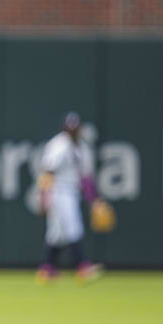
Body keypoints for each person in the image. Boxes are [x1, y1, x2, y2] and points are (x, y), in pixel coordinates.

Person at [35, 112, 103, 285]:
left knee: (56, 233)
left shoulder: (82, 147)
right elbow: (47, 171)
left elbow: (86, 178)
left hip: (72, 191)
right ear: (64, 128)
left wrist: (94, 200)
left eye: (75, 128)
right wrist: (44, 198)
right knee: (73, 226)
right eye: (69, 128)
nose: (72, 131)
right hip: (58, 190)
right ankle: (83, 266)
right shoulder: (58, 145)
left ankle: (47, 268)